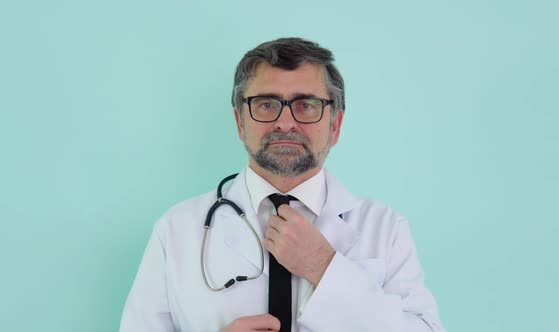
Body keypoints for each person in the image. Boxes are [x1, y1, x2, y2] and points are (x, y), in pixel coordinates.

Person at [119, 37, 446, 332]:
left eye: (306, 105)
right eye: (266, 104)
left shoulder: (385, 228)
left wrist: (324, 267)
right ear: (239, 122)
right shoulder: (177, 230)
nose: (285, 122)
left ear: (336, 125)